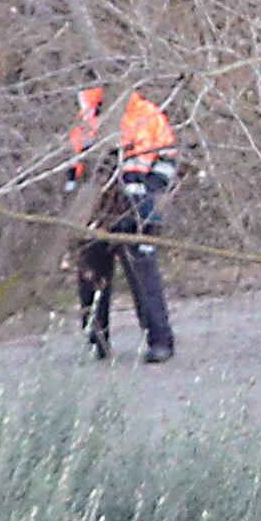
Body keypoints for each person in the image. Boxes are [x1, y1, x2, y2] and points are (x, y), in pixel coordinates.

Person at [65, 83, 179, 363]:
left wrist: (149, 188)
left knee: (143, 276)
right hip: (95, 206)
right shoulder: (88, 117)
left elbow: (168, 158)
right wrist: (74, 197)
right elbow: (74, 162)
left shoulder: (147, 114)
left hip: (135, 206)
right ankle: (96, 341)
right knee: (92, 276)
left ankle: (159, 340)